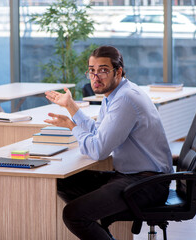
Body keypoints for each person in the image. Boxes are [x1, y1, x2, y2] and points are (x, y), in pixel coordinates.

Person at [44, 46, 173, 240]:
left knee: (74, 215)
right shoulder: (114, 96)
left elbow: (98, 150)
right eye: (91, 70)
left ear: (118, 71)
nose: (96, 76)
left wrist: (72, 126)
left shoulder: (125, 100)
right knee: (64, 183)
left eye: (103, 70)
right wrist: (71, 106)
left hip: (147, 183)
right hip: (132, 176)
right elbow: (98, 133)